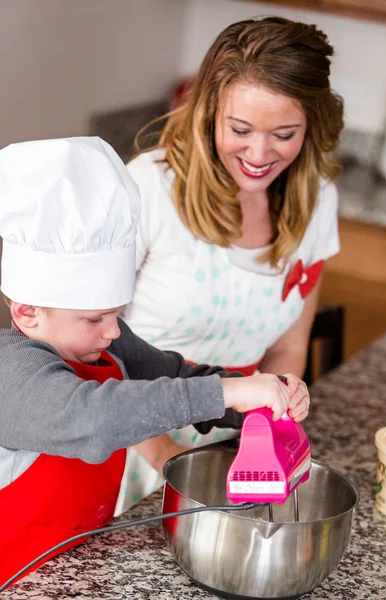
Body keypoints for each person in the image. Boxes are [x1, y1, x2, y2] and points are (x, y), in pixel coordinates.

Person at [0, 136, 309, 587]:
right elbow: (95, 417)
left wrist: (259, 396)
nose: (111, 330)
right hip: (14, 578)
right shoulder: (12, 374)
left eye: (116, 312)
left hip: (80, 565)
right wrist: (230, 392)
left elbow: (176, 375)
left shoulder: (104, 341)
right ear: (27, 312)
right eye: (94, 318)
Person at [117, 15, 342, 512]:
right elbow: (87, 350)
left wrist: (275, 412)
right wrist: (164, 455)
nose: (259, 154)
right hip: (123, 447)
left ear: (312, 124)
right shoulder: (151, 189)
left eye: (284, 133)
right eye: (240, 129)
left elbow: (288, 346)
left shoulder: (316, 201)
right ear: (209, 112)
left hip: (231, 446)